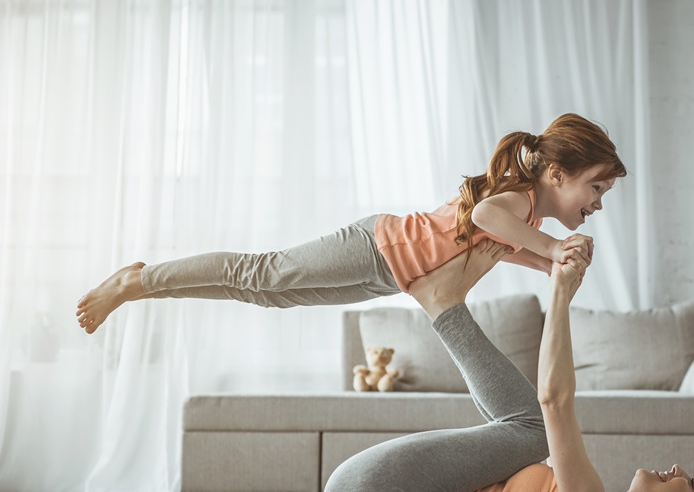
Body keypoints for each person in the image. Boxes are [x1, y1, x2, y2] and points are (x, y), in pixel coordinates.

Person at [323, 240, 694, 492]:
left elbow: (554, 402)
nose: (680, 469)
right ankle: (444, 302)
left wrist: (561, 292)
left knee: (534, 432)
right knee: (527, 433)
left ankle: (443, 302)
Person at [75, 113, 626, 334]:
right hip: (377, 246)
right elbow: (484, 215)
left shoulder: (524, 214)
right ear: (556, 173)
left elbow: (502, 245)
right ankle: (136, 282)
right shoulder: (516, 198)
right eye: (596, 186)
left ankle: (147, 289)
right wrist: (554, 250)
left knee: (269, 296)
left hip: (390, 276)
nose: (598, 201)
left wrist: (547, 268)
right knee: (262, 272)